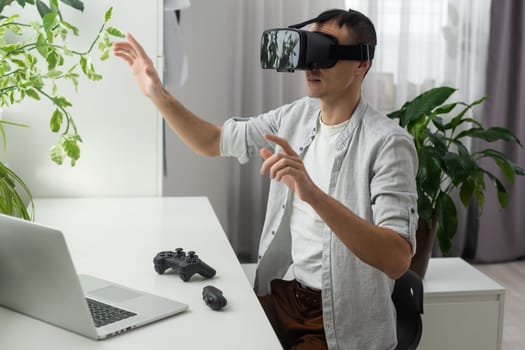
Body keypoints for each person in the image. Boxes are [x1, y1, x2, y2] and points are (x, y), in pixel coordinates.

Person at [113, 8, 418, 350]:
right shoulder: (295, 117)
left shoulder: (388, 143)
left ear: (361, 64)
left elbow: (397, 259)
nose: (311, 66)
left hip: (342, 319)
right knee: (204, 335)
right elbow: (212, 142)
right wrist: (157, 93)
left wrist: (312, 193)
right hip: (289, 295)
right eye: (307, 51)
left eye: (324, 53)